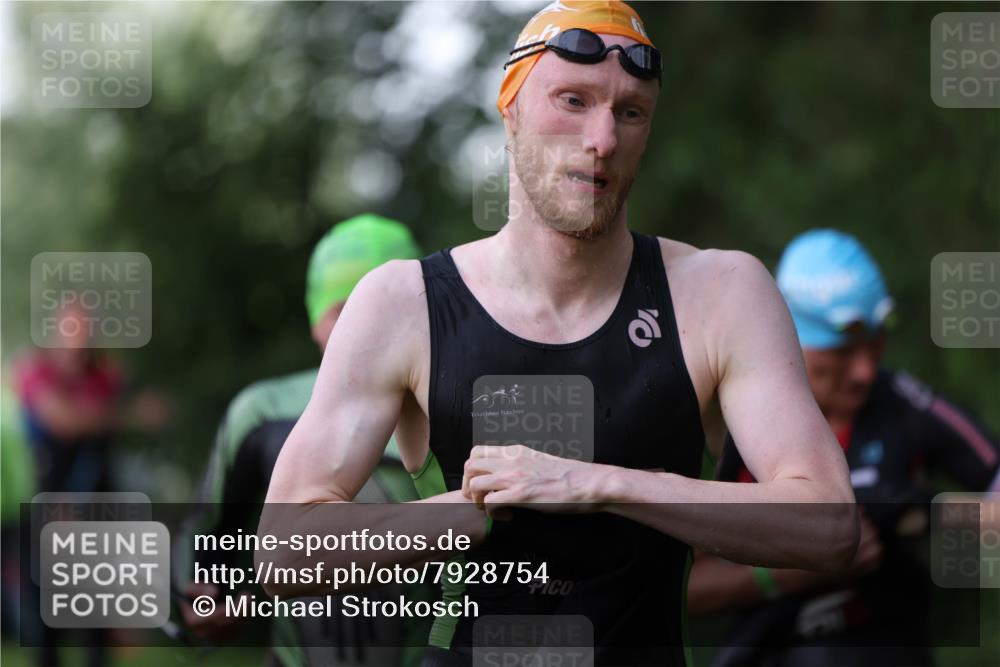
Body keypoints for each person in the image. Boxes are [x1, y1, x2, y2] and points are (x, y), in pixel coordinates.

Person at [261, 3, 858, 666]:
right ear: (510, 108)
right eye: (573, 100)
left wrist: (600, 484)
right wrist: (473, 508)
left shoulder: (721, 293)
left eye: (631, 112)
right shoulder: (403, 303)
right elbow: (283, 551)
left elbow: (830, 525)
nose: (603, 138)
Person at [687, 229, 1000, 667]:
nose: (864, 371)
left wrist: (920, 513)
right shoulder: (728, 420)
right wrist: (786, 572)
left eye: (875, 345)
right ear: (788, 337)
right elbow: (676, 586)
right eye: (841, 352)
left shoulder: (898, 401)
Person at [174, 214, 428, 667]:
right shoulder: (264, 412)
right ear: (315, 322)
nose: (364, 329)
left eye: (383, 310)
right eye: (342, 311)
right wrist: (203, 596)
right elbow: (204, 533)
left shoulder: (462, 410)